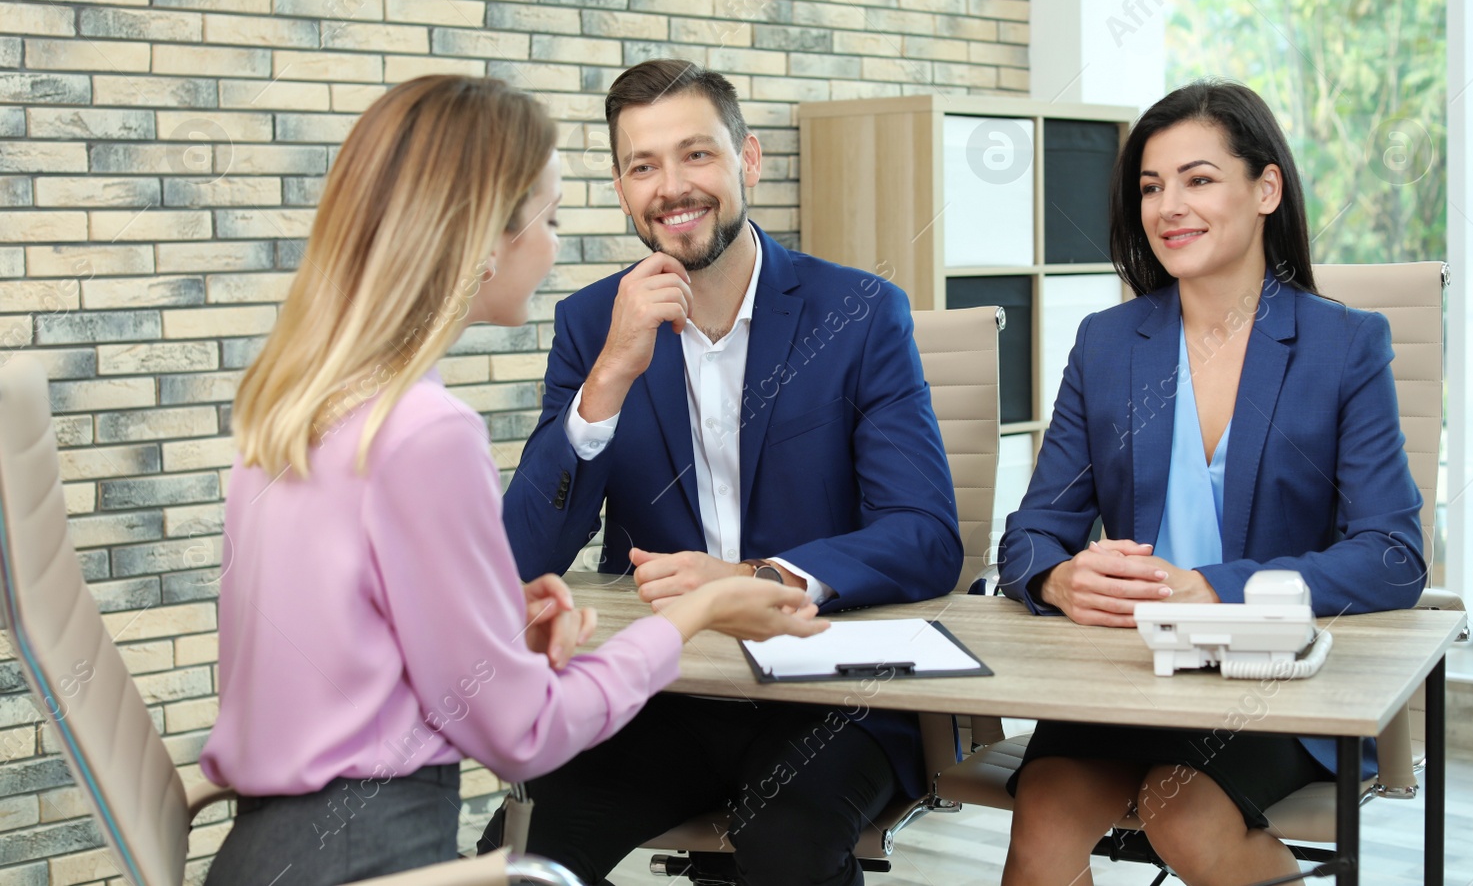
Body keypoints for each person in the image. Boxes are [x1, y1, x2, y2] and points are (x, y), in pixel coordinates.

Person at [199, 76, 828, 886]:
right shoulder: (428, 432)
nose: (557, 247)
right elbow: (524, 735)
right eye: (553, 218)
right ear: (486, 238)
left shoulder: (290, 409)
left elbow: (349, 650)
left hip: (261, 856)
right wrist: (699, 610)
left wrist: (491, 633)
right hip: (378, 857)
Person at [480, 59, 962, 886]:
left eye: (696, 155)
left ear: (749, 160)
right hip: (665, 695)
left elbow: (925, 535)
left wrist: (749, 579)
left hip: (828, 690)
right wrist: (609, 378)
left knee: (785, 841)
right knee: (514, 858)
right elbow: (524, 556)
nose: (672, 187)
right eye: (643, 165)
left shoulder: (859, 311)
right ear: (623, 188)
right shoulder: (591, 322)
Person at [996, 80, 1427, 886]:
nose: (1168, 207)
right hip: (1127, 675)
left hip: (1268, 684)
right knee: (1044, 815)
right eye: (1151, 187)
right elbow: (1031, 532)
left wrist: (1214, 589)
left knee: (1183, 811)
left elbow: (1394, 555)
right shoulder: (1107, 343)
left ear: (1266, 189)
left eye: (1197, 179)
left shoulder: (1344, 344)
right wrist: (1058, 577)